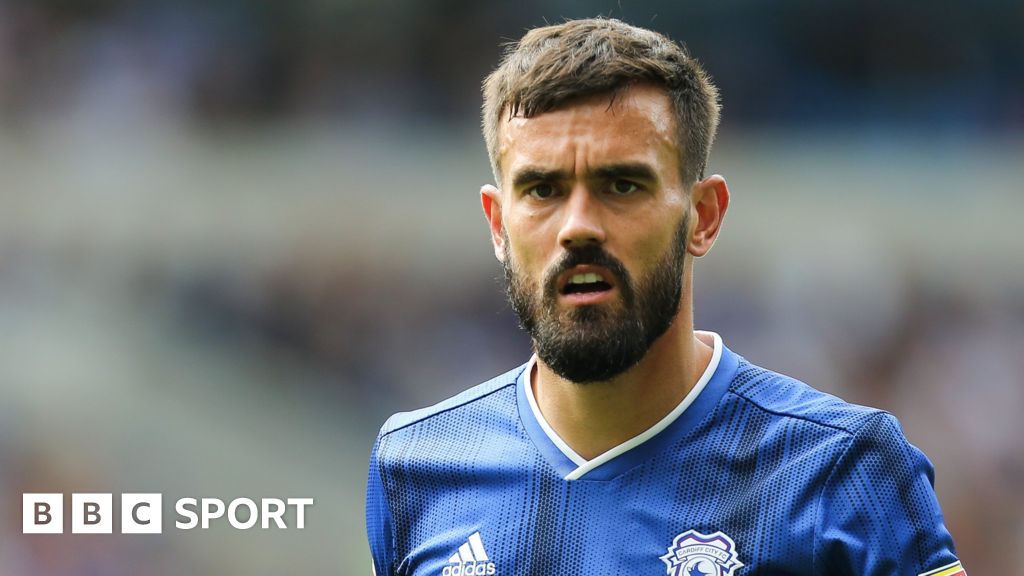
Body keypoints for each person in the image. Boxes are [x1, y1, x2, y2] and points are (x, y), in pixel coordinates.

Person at [366, 17, 964, 576]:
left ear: (703, 217)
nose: (578, 226)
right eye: (543, 189)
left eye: (621, 184)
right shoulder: (413, 468)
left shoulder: (844, 470)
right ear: (498, 225)